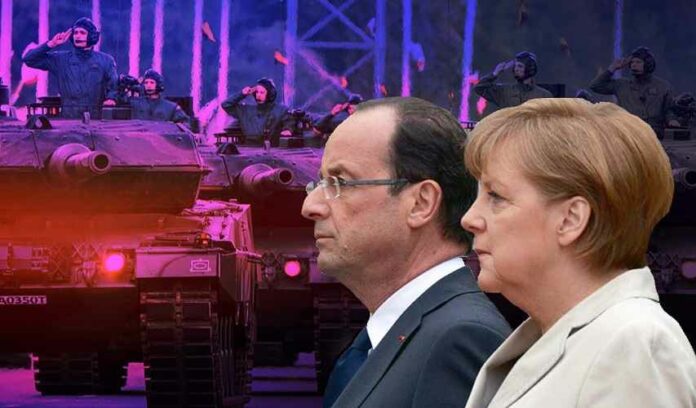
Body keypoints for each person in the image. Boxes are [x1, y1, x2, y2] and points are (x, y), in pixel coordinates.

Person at [461, 98, 696, 408]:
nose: (470, 219)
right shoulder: (575, 337)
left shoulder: (633, 346)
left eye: (496, 196)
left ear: (571, 219)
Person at [302, 97, 510, 408]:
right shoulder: (395, 335)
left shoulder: (459, 339)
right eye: (320, 183)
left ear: (421, 203)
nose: (310, 206)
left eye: (340, 182)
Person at [22, 17, 118, 119]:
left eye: (82, 33)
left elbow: (114, 84)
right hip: (68, 121)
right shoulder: (60, 59)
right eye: (75, 33)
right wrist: (51, 44)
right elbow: (29, 59)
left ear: (92, 36)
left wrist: (111, 98)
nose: (78, 36)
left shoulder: (106, 60)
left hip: (96, 121)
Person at [589, 46, 679, 137]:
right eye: (632, 62)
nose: (634, 65)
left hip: (654, 132)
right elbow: (595, 86)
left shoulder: (662, 86)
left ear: (648, 64)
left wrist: (672, 120)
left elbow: (669, 109)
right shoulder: (621, 85)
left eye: (638, 62)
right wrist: (612, 68)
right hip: (629, 131)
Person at [221, 78, 291, 146]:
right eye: (257, 92)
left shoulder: (280, 110)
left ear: (270, 94)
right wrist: (242, 94)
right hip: (249, 149)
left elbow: (289, 121)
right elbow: (226, 105)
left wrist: (287, 129)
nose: (258, 95)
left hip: (272, 150)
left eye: (262, 92)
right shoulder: (246, 111)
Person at [474, 51, 552, 109]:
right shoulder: (504, 92)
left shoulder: (544, 96)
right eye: (515, 66)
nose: (516, 69)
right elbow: (479, 88)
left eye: (520, 66)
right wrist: (495, 74)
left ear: (530, 69)